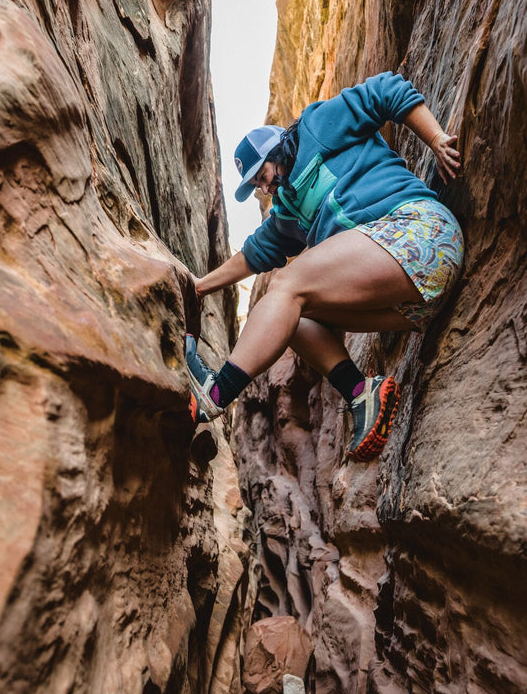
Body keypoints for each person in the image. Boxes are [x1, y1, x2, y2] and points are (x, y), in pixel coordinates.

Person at [187, 71, 465, 459]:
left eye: (263, 177)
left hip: (423, 235)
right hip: (412, 307)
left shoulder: (317, 126)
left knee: (287, 284)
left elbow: (385, 92)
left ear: (278, 150)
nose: (264, 189)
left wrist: (435, 140)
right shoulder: (286, 213)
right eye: (257, 187)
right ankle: (361, 394)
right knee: (294, 321)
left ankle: (217, 393)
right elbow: (253, 255)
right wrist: (200, 287)